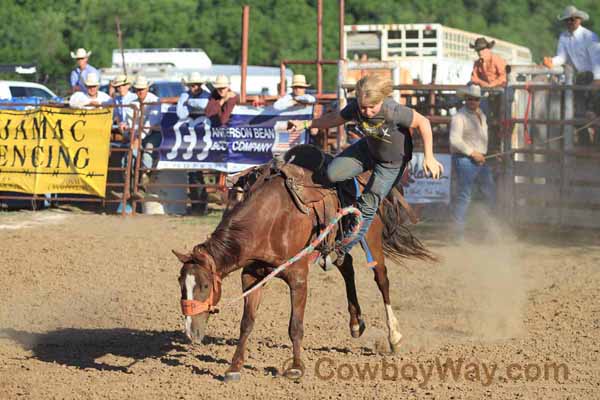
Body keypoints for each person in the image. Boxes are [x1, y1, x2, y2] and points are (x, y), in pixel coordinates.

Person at [288, 74, 443, 257]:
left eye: (372, 108)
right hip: (367, 150)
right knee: (332, 174)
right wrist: (306, 124)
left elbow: (423, 122)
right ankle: (343, 205)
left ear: (381, 100)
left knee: (368, 205)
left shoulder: (393, 111)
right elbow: (335, 119)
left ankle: (342, 249)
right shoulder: (355, 108)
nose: (367, 112)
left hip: (390, 163)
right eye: (363, 108)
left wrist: (429, 157)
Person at [543, 5, 600, 145]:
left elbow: (596, 59)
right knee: (578, 114)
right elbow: (562, 57)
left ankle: (596, 148)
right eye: (568, 20)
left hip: (593, 75)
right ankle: (584, 144)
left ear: (579, 19)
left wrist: (598, 79)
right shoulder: (564, 36)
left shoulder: (589, 36)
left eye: (573, 19)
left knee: (596, 113)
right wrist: (552, 61)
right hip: (579, 77)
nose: (570, 22)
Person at [449, 85, 495, 240]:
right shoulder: (459, 117)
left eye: (475, 99)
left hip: (479, 159)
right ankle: (458, 236)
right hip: (465, 159)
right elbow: (454, 140)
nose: (472, 101)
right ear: (465, 99)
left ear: (479, 101)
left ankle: (483, 230)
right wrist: (473, 153)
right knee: (465, 196)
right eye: (470, 98)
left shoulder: (481, 115)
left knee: (487, 193)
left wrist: (481, 153)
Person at [177, 72, 210, 215]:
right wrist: (185, 101)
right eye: (192, 85)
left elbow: (205, 107)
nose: (194, 87)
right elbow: (181, 114)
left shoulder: (206, 95)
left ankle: (200, 204)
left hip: (204, 134)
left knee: (200, 170)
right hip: (193, 135)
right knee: (193, 171)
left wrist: (188, 103)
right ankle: (197, 204)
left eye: (196, 85)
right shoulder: (186, 95)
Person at [131, 75, 162, 180]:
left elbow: (151, 122)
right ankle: (137, 181)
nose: (140, 92)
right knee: (132, 154)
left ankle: (145, 177)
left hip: (154, 133)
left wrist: (138, 137)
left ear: (147, 88)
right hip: (140, 133)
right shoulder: (133, 102)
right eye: (138, 89)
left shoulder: (154, 100)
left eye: (142, 89)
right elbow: (132, 121)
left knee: (147, 153)